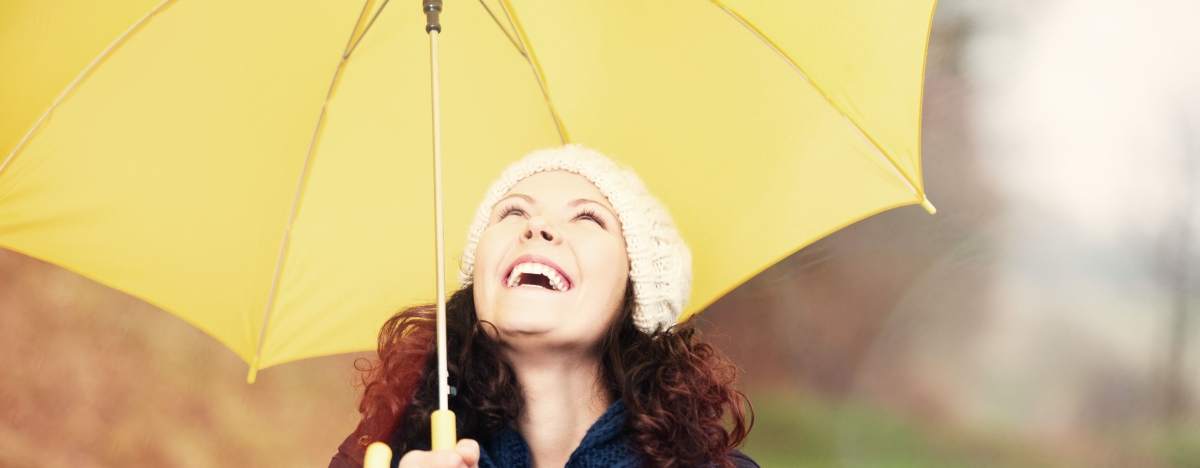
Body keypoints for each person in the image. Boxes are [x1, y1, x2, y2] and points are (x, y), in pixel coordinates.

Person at [330, 145, 756, 468]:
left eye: (588, 218)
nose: (538, 226)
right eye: (513, 212)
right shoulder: (381, 452)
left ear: (637, 289)